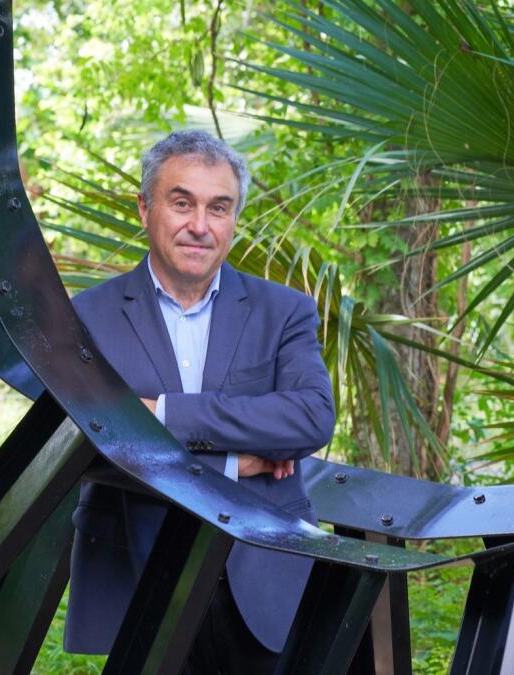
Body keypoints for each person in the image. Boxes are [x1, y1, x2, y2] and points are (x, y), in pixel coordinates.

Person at [62, 130, 335, 673]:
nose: (199, 226)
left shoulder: (286, 312)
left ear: (235, 219)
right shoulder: (86, 318)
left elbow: (310, 417)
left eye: (219, 207)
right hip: (135, 567)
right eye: (181, 202)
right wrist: (236, 458)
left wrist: (158, 414)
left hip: (262, 569)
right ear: (145, 208)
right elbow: (73, 443)